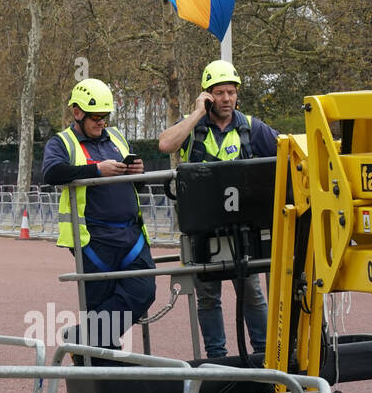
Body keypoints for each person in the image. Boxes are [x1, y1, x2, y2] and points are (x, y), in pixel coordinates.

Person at [159, 59, 278, 359]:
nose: (227, 99)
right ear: (208, 95)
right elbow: (165, 145)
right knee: (208, 297)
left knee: (252, 294)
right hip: (202, 229)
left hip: (243, 229)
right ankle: (217, 358)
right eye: (220, 93)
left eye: (232, 92)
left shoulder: (252, 127)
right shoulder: (193, 125)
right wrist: (197, 113)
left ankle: (264, 355)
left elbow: (288, 152)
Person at [42, 78, 155, 350]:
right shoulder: (62, 142)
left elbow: (136, 185)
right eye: (95, 117)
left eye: (105, 117)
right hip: (94, 241)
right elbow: (51, 173)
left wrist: (137, 172)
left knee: (144, 290)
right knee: (99, 305)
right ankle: (102, 369)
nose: (101, 122)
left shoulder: (116, 137)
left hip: (131, 235)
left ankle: (83, 341)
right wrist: (96, 171)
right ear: (77, 112)